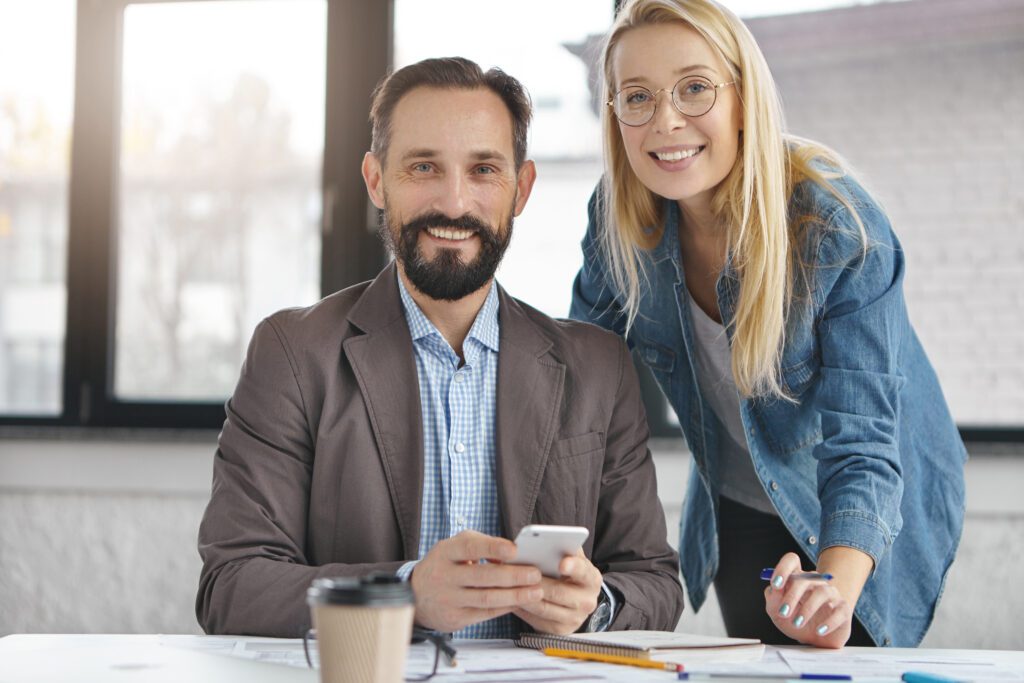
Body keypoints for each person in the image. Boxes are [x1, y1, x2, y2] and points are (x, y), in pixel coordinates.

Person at [197, 56, 683, 639]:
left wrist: (595, 605)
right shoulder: (292, 355)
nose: (454, 203)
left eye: (483, 170)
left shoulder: (599, 368)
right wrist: (403, 595)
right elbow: (232, 586)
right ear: (377, 181)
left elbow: (655, 582)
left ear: (520, 189)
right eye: (424, 167)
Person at [570, 0, 966, 648]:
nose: (666, 121)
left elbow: (864, 445)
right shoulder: (618, 221)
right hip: (741, 499)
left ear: (741, 95)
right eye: (636, 96)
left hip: (867, 503)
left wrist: (832, 590)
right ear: (614, 114)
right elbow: (576, 386)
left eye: (694, 88)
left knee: (838, 653)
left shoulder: (835, 226)